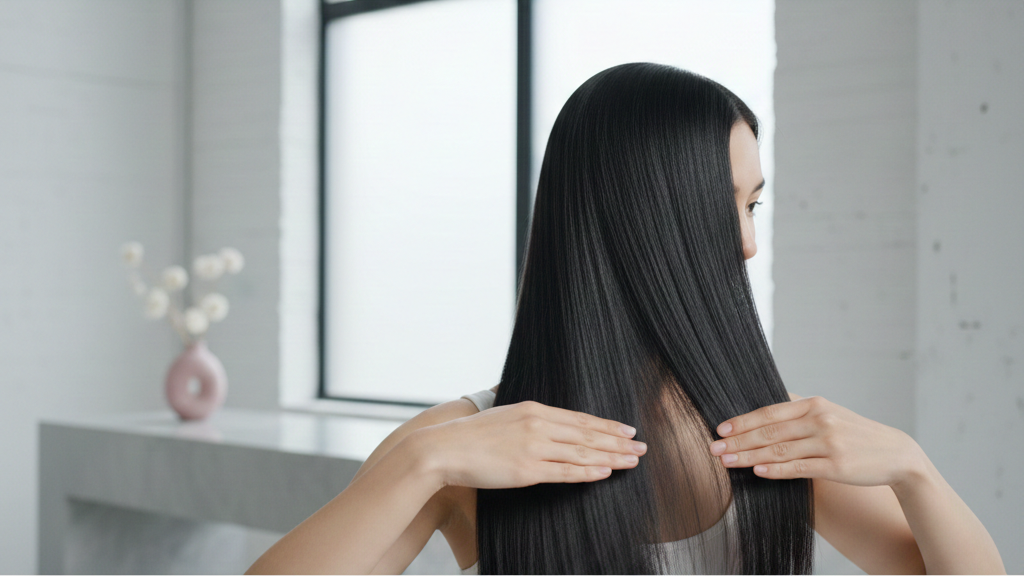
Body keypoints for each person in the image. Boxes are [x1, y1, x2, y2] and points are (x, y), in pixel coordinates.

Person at [246, 64, 1005, 575]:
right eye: (723, 210)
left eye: (754, 205)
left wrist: (913, 468)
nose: (746, 243)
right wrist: (420, 465)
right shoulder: (463, 442)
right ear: (638, 221)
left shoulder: (758, 433)